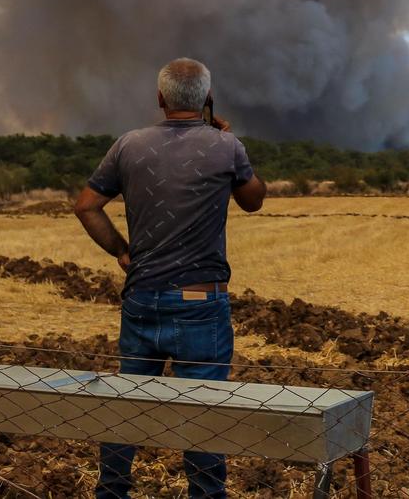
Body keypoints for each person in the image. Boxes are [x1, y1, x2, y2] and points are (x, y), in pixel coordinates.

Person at [74, 57, 266, 499]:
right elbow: (254, 201)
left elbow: (86, 206)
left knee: (126, 408)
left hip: (141, 297)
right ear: (205, 99)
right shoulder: (226, 146)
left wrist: (123, 252)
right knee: (203, 412)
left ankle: (113, 491)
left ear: (160, 99)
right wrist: (229, 139)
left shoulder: (127, 145)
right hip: (202, 304)